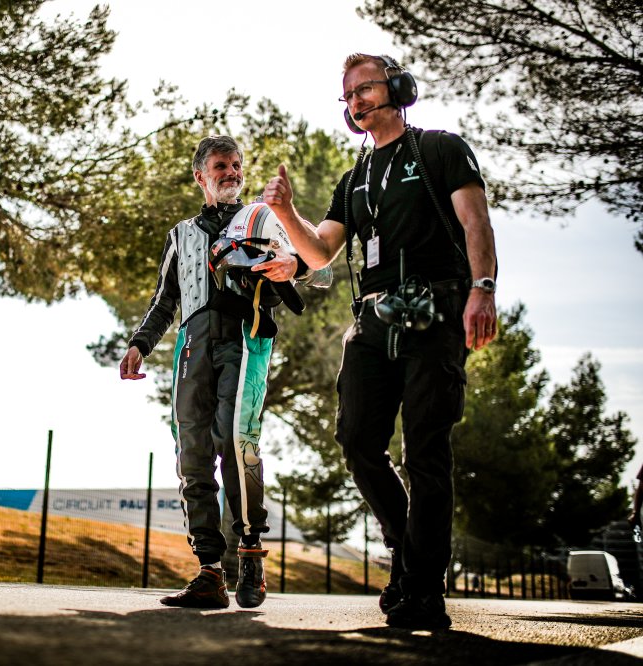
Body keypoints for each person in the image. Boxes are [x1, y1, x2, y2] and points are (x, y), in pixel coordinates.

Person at [262, 54, 498, 629]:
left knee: (425, 450)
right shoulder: (354, 179)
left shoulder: (440, 149)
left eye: (364, 89)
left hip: (437, 311)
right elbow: (321, 252)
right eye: (347, 96)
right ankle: (407, 553)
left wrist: (483, 289)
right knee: (357, 440)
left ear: (398, 87)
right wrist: (286, 213)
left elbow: (476, 223)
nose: (355, 102)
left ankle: (424, 589)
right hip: (372, 320)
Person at [120, 135, 327, 609]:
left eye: (236, 165)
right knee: (192, 454)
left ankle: (251, 555)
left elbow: (323, 268)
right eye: (221, 166)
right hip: (192, 346)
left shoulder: (263, 218)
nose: (232, 172)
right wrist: (139, 343)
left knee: (236, 442)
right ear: (201, 175)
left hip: (245, 337)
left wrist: (292, 264)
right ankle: (209, 572)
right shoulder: (180, 234)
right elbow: (164, 301)